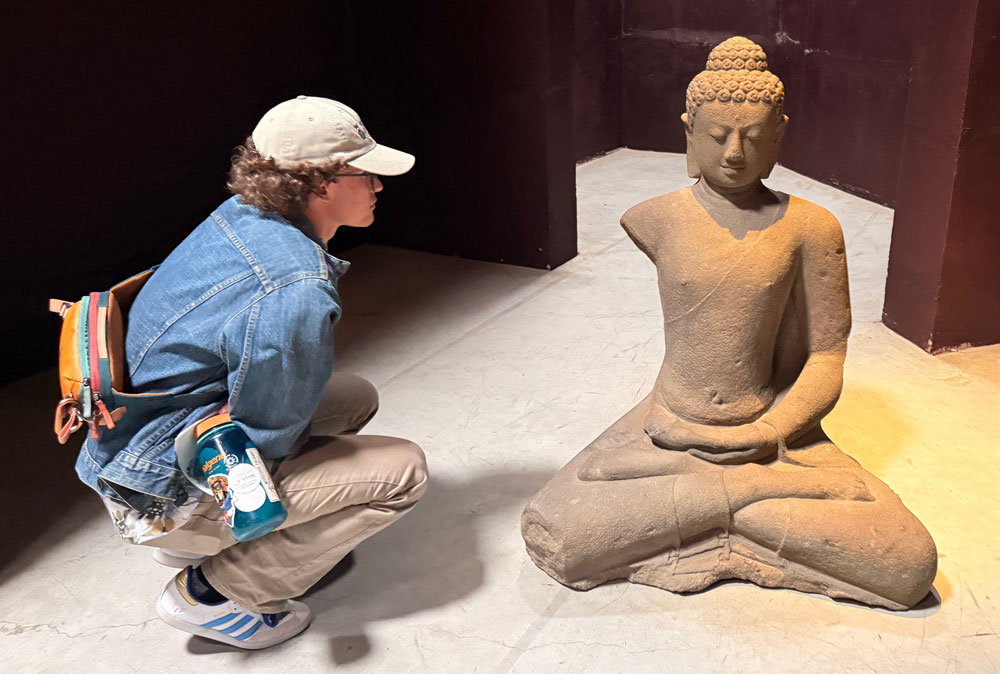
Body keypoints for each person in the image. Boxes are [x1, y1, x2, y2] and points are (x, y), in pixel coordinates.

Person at [521, 38, 936, 610]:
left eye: (754, 136)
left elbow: (826, 357)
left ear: (780, 134)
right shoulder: (654, 218)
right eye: (717, 136)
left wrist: (764, 435)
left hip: (771, 431)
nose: (735, 153)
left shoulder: (811, 229)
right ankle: (744, 507)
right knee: (559, 535)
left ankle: (712, 511)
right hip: (666, 427)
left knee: (908, 561)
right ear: (687, 131)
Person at [75, 96, 429, 649]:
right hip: (157, 486)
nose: (379, 186)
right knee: (403, 473)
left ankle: (203, 539)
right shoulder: (293, 287)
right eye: (366, 174)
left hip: (135, 445)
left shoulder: (244, 215)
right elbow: (268, 437)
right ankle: (217, 591)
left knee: (351, 398)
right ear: (320, 183)